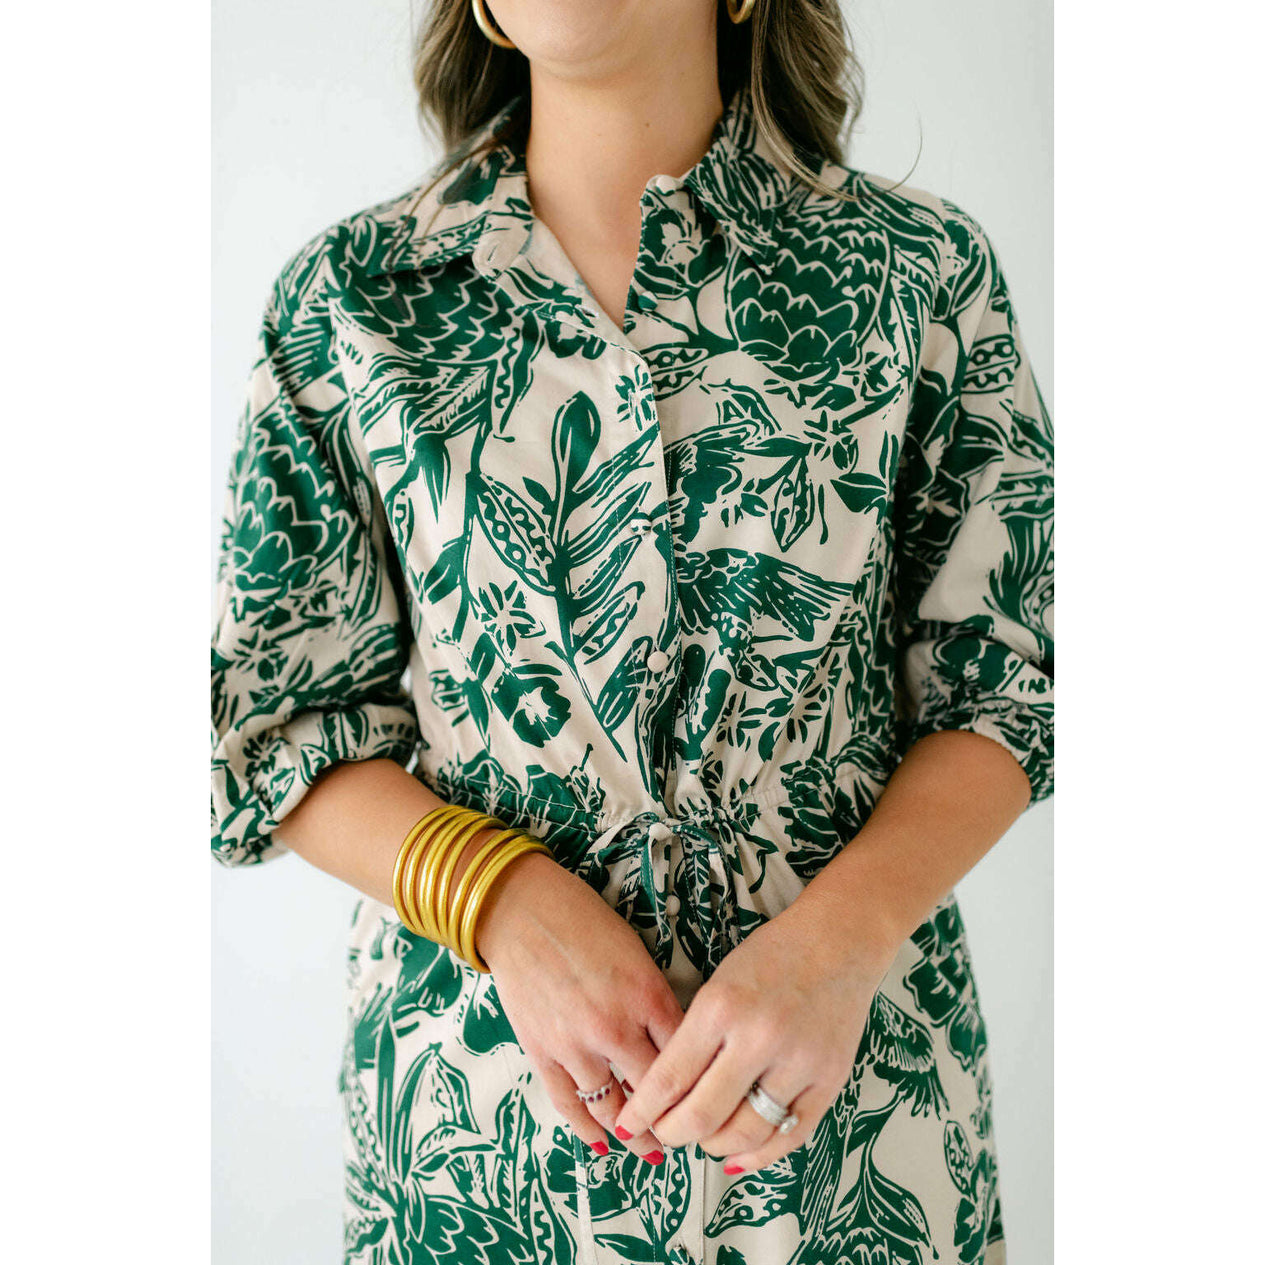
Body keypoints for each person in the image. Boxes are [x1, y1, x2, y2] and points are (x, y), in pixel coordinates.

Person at [210, 1, 1053, 1262]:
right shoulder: (351, 303)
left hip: (854, 1130)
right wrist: (498, 898)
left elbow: (1011, 673)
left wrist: (837, 943)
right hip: (478, 1149)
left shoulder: (915, 272)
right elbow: (270, 727)